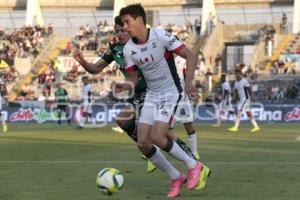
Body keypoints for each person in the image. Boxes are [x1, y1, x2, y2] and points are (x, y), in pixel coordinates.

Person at [73, 16, 199, 175]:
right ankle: (157, 153)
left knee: (157, 133)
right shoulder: (115, 49)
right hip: (136, 93)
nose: (119, 34)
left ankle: (189, 160)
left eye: (122, 30)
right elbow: (96, 68)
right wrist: (82, 62)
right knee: (131, 124)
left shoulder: (140, 44)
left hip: (153, 91)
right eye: (116, 31)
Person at [116, 4, 209, 197]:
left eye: (127, 22)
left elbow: (190, 55)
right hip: (152, 95)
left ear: (139, 19)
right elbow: (133, 78)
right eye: (122, 23)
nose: (124, 27)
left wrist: (189, 82)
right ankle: (176, 177)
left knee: (158, 136)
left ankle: (194, 165)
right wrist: (124, 85)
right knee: (143, 143)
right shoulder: (128, 49)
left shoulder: (160, 36)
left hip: (171, 92)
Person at [174, 56, 200, 160]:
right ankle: (153, 154)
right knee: (162, 128)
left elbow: (187, 77)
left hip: (182, 97)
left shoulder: (182, 60)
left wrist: (192, 92)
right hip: (167, 96)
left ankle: (194, 153)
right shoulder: (161, 56)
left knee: (188, 125)